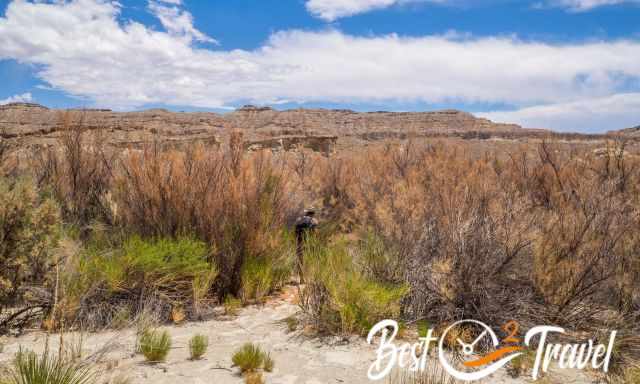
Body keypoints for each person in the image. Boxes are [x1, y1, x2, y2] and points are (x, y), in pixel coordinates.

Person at [295, 208, 318, 282]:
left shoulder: (299, 220)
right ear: (312, 214)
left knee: (300, 260)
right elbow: (315, 233)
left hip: (300, 242)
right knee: (310, 260)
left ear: (306, 213)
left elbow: (295, 232)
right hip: (310, 243)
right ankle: (308, 277)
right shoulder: (314, 221)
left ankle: (302, 279)